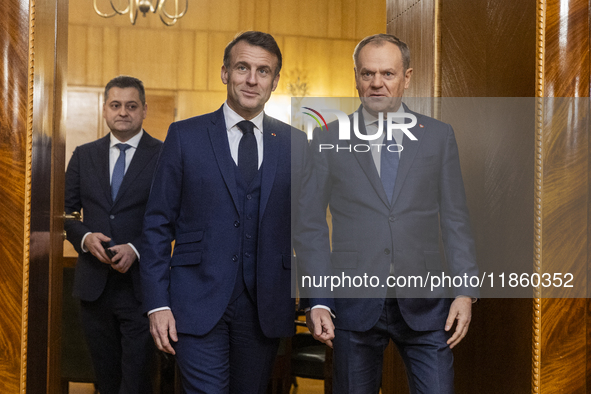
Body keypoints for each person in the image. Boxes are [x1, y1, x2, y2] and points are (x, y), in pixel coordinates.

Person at [302, 34, 479, 393]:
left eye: (387, 73)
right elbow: (310, 225)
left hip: (428, 305)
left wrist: (465, 290)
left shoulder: (438, 137)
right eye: (368, 74)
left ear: (407, 77)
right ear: (356, 77)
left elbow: (455, 217)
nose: (377, 83)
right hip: (353, 304)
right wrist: (317, 298)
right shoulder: (326, 139)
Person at [141, 31, 310, 393]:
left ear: (275, 81)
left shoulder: (296, 143)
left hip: (265, 305)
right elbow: (157, 224)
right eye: (242, 67)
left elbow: (309, 230)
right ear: (224, 73)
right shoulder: (185, 136)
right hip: (195, 301)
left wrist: (320, 299)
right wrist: (157, 304)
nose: (252, 79)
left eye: (263, 71)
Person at [64, 75, 161, 394]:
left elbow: (174, 218)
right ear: (104, 109)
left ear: (144, 109)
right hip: (94, 286)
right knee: (104, 378)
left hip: (141, 288)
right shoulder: (83, 155)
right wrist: (84, 237)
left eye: (131, 106)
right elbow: (64, 214)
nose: (123, 112)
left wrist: (136, 247)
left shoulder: (163, 156)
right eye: (115, 105)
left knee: (136, 379)